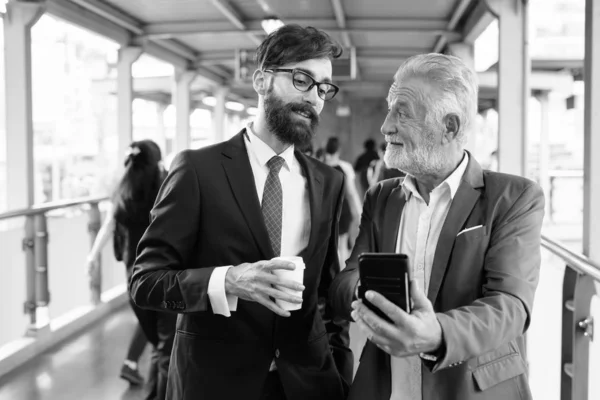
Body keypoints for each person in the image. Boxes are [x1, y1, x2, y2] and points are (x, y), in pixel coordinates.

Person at [129, 25, 352, 400]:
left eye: (323, 87)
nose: (314, 97)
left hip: (307, 381)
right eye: (302, 79)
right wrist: (228, 281)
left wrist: (340, 367)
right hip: (215, 382)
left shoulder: (328, 181)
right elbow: (145, 281)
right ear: (261, 80)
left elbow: (326, 290)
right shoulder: (198, 170)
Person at [329, 53, 544, 400]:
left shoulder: (513, 197)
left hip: (472, 389)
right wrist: (365, 293)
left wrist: (436, 333)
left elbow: (510, 305)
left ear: (450, 127)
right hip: (388, 386)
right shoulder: (381, 198)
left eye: (402, 112)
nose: (386, 126)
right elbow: (345, 280)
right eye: (388, 110)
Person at [86, 140, 177, 400]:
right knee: (165, 349)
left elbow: (108, 227)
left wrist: (92, 256)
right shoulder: (167, 185)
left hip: (136, 284)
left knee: (160, 348)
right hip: (166, 277)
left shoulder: (122, 191)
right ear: (157, 161)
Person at [323, 137, 362, 264]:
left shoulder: (319, 165)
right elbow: (351, 192)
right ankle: (342, 276)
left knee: (327, 246)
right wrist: (359, 210)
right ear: (338, 150)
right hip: (342, 208)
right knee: (342, 244)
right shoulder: (345, 167)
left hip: (325, 209)